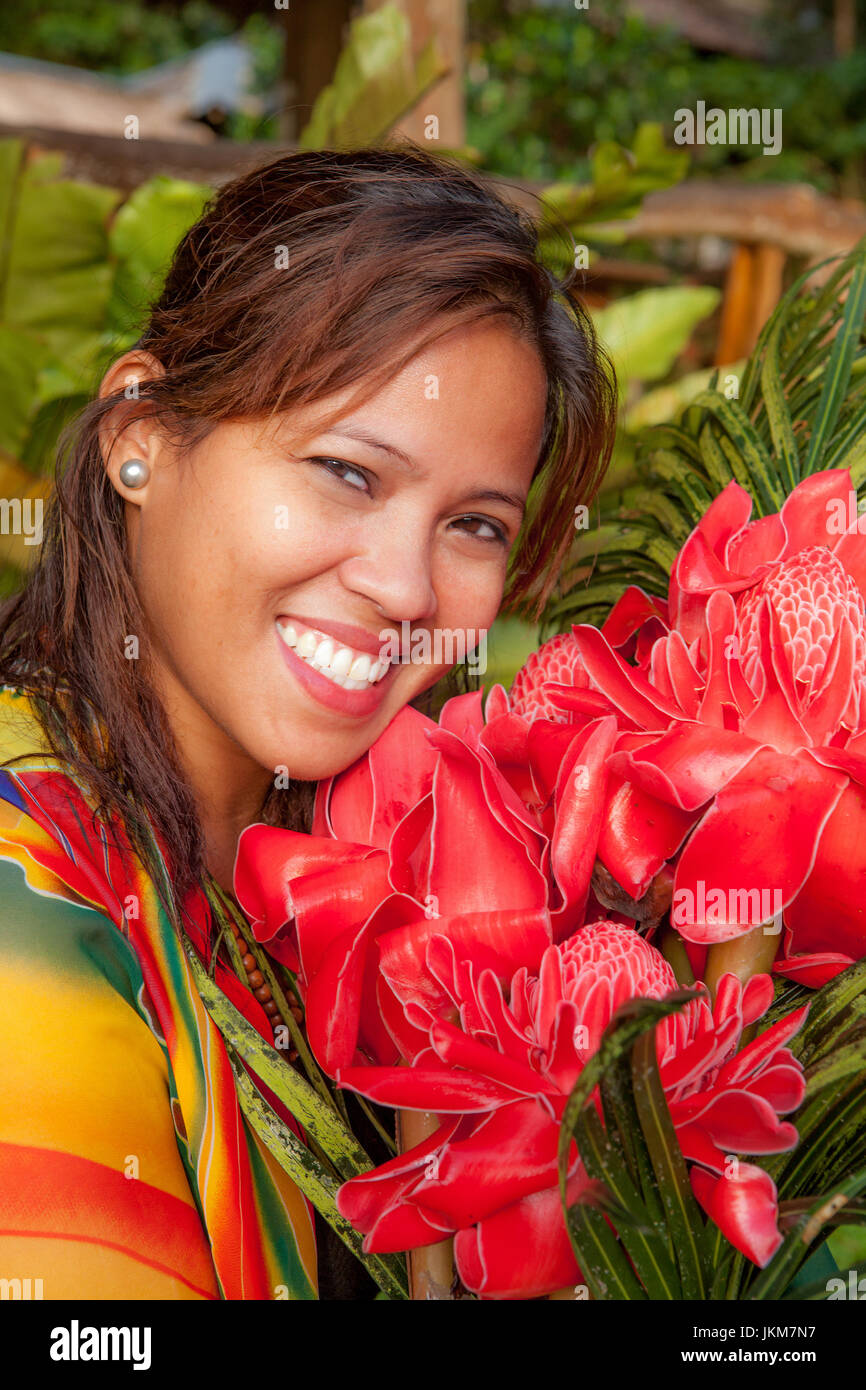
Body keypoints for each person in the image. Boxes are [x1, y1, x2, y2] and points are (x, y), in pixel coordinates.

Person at [0, 144, 616, 1299]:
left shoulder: (345, 870)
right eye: (345, 471)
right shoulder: (24, 902)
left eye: (474, 525)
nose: (404, 586)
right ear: (140, 437)